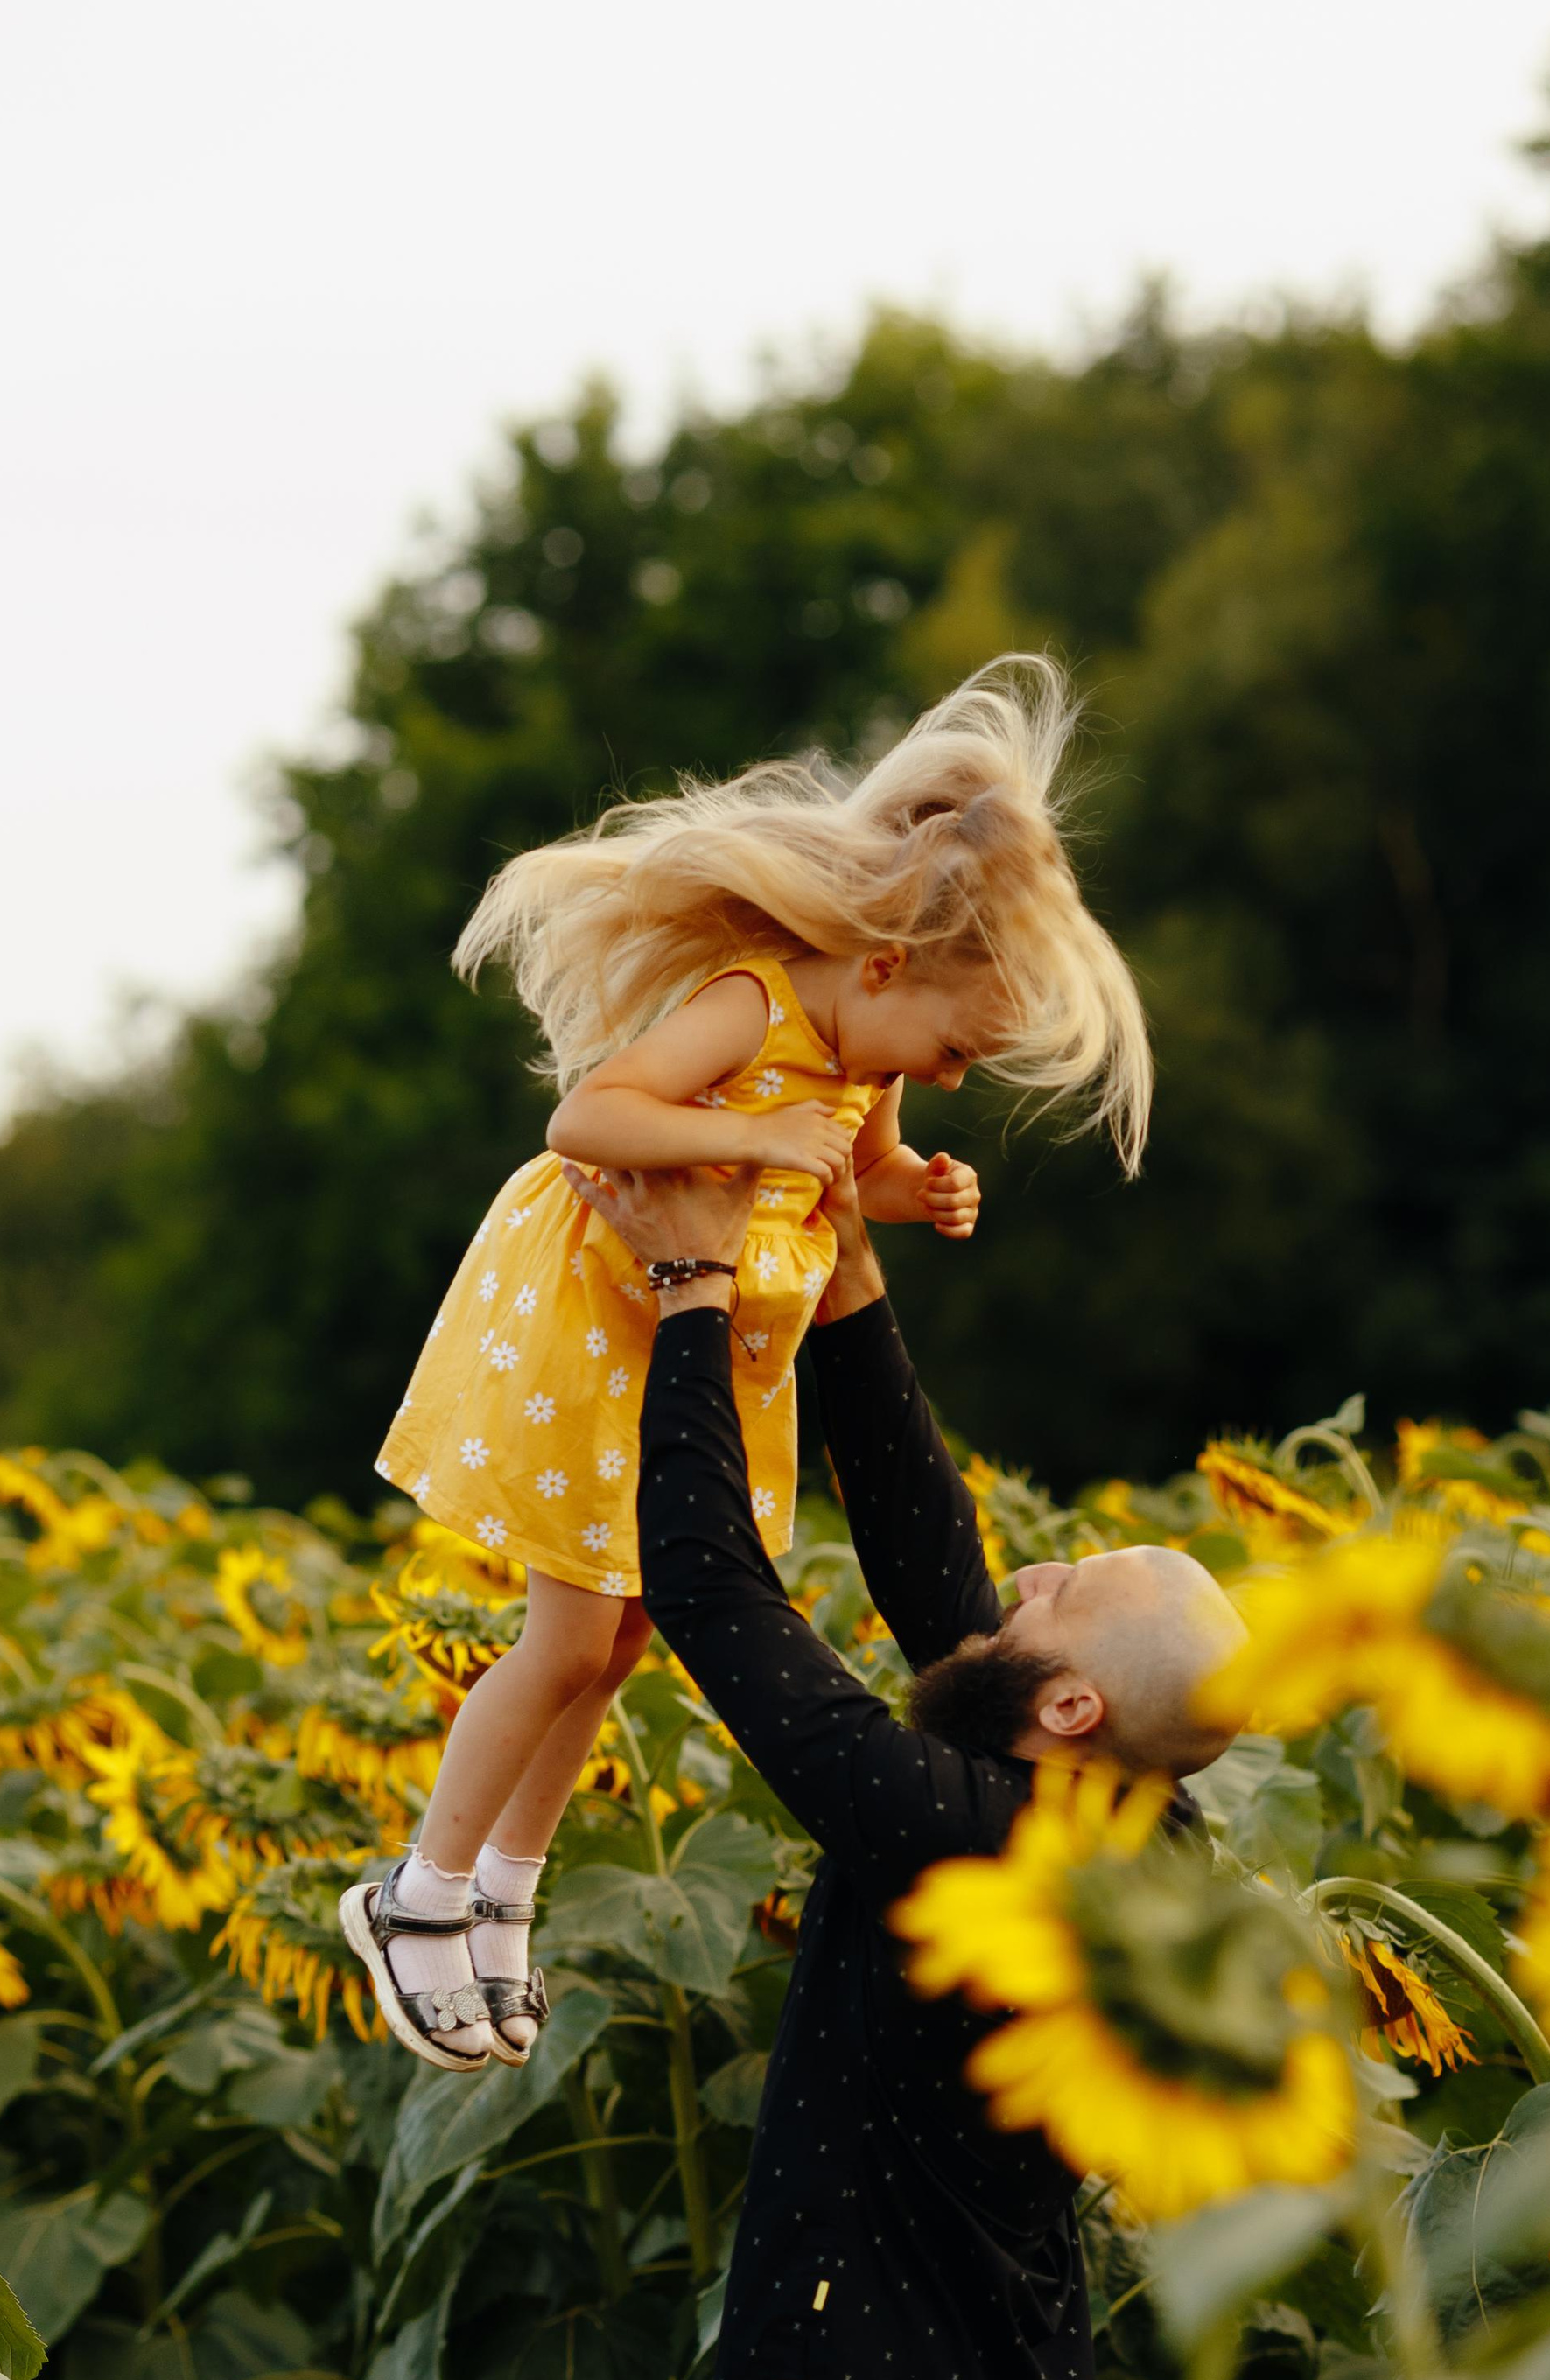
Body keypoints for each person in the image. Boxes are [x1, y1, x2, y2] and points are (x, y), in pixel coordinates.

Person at [559, 1148, 1241, 2380]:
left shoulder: (957, 1833)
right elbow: (932, 1560)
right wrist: (845, 1278)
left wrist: (693, 1298)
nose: (1021, 1577)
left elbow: (715, 1599)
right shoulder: (1110, 1814)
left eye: (1057, 1593)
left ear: (1064, 1700)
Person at [340, 656, 1152, 2075]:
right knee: (566, 1639)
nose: (949, 1076)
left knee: (625, 1640)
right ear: (887, 968)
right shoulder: (754, 1003)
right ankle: (418, 1894)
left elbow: (855, 1174)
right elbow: (590, 1120)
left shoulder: (866, 1058)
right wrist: (751, 1138)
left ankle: (507, 1895)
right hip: (596, 1321)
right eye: (956, 1044)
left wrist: (917, 1192)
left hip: (693, 1344)